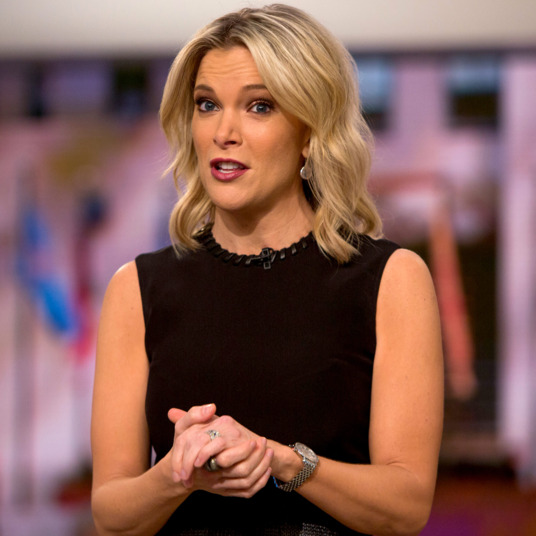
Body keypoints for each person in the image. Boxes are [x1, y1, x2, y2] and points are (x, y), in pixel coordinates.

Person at [91, 4, 444, 536]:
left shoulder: (390, 279)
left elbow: (406, 506)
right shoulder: (136, 289)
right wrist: (176, 474)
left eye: (259, 106)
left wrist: (280, 461)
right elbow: (111, 516)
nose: (224, 131)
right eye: (207, 104)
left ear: (310, 132)